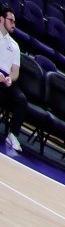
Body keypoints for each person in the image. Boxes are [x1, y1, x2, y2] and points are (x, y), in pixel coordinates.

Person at [0, 8, 18, 156]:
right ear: (1, 19)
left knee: (21, 100)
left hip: (6, 77)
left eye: (14, 22)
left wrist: (10, 78)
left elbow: (15, 70)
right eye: (11, 20)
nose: (13, 24)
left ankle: (13, 135)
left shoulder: (15, 45)